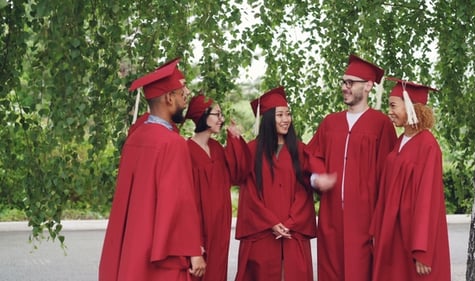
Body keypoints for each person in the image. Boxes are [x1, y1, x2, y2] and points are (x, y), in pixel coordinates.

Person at [99, 59, 206, 281]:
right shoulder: (172, 143)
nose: (185, 98)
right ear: (169, 98)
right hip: (160, 250)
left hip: (133, 244)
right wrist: (193, 251)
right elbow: (179, 202)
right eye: (182, 94)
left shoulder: (136, 138)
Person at [306, 54, 397, 281]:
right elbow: (312, 155)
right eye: (343, 82)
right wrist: (318, 177)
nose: (345, 87)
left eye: (350, 83)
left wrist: (380, 224)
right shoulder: (330, 122)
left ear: (367, 86)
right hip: (331, 217)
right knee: (331, 272)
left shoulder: (381, 124)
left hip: (366, 220)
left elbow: (388, 177)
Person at [369, 78, 451, 281]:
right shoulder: (400, 142)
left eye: (393, 105)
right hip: (394, 234)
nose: (389, 111)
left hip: (412, 240)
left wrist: (422, 249)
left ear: (411, 107)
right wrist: (377, 228)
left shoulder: (427, 145)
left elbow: (428, 202)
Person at [234, 86, 317, 281]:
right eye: (280, 115)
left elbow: (305, 190)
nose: (285, 119)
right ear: (269, 118)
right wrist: (271, 222)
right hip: (261, 233)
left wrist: (291, 222)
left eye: (288, 114)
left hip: (292, 233)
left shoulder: (300, 150)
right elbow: (250, 192)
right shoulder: (252, 150)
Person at [184, 93, 250, 281]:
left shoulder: (217, 149)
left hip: (220, 225)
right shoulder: (186, 151)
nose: (221, 119)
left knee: (216, 272)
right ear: (203, 116)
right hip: (199, 225)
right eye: (217, 114)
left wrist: (235, 140)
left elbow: (239, 173)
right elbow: (184, 198)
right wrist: (193, 241)